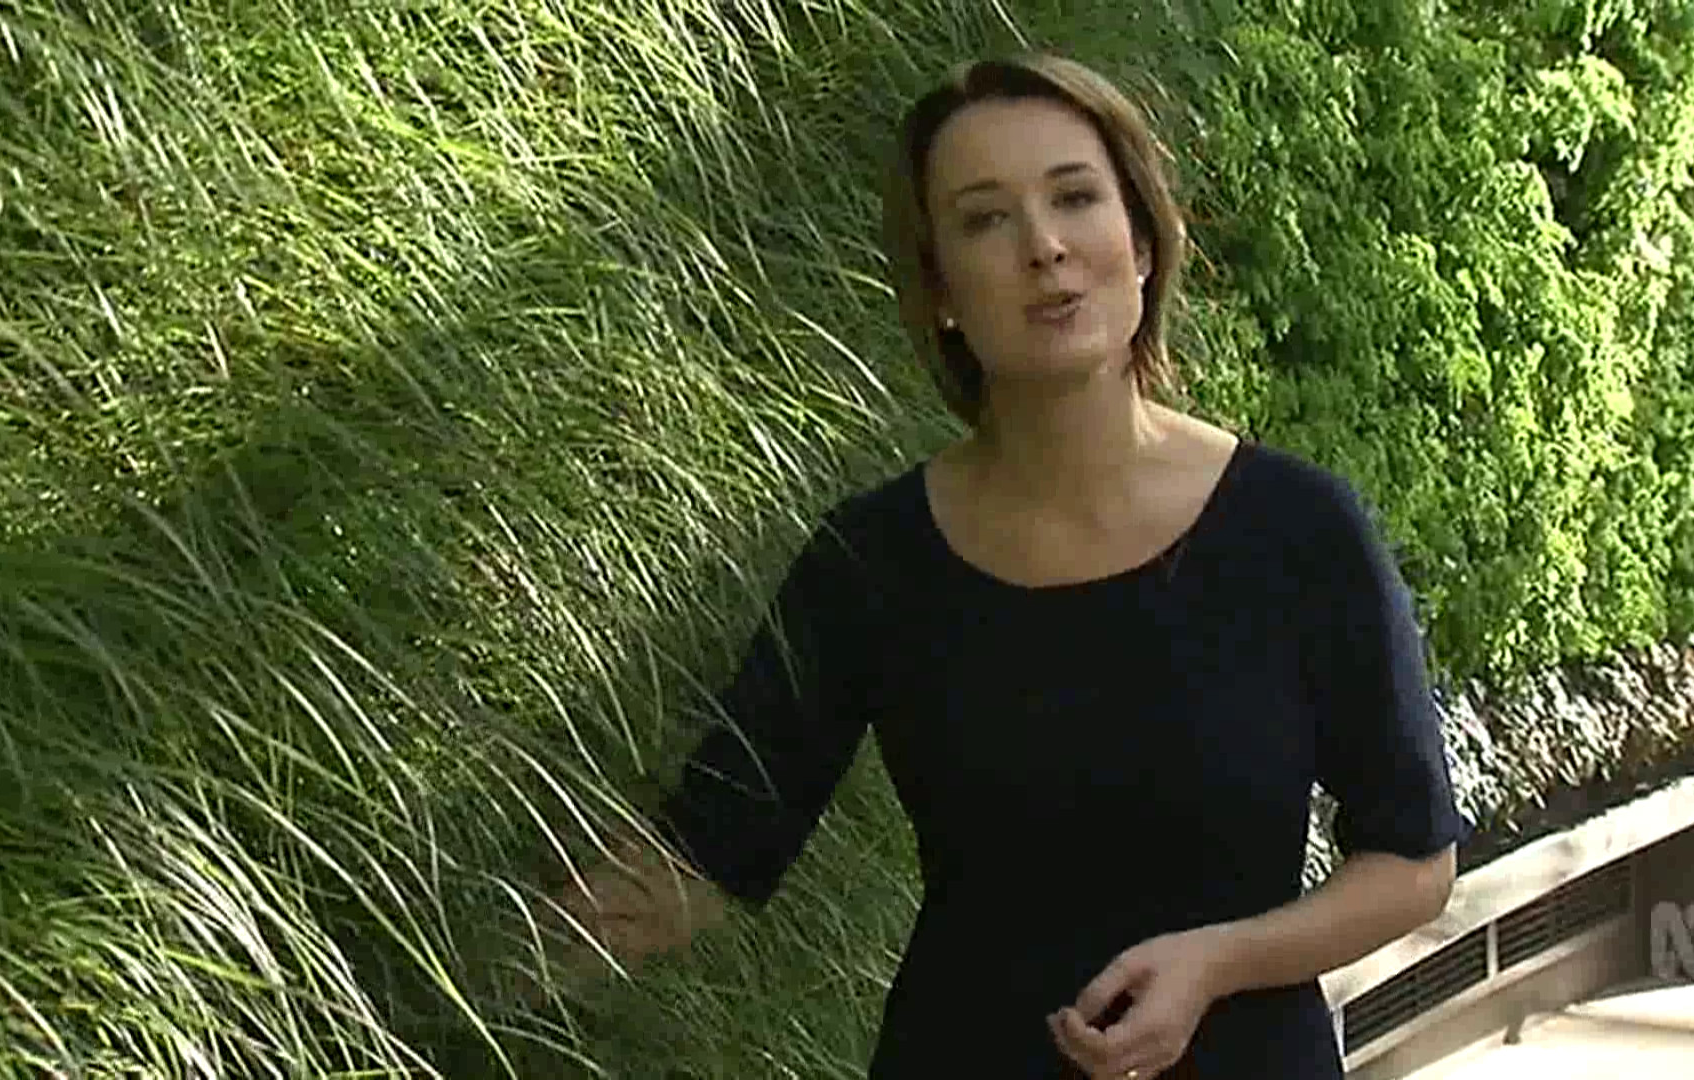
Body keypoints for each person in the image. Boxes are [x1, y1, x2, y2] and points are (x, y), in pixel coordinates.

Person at [553, 52, 1472, 1080]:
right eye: (986, 219)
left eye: (1075, 198)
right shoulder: (873, 562)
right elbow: (705, 854)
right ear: (941, 289)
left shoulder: (1298, 528)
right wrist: (453, 970)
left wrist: (1218, 962)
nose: (1044, 247)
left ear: (1142, 242)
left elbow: (1413, 862)